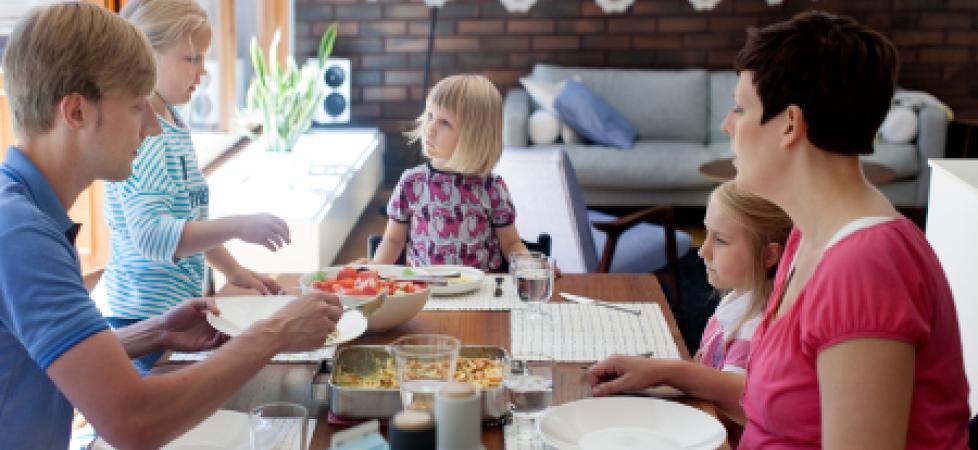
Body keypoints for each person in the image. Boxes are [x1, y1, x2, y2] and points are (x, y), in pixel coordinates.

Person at [0, 4, 342, 449]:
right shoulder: (22, 236)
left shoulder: (29, 215)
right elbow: (134, 421)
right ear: (77, 112)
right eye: (138, 105)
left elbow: (49, 358)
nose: (152, 128)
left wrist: (156, 332)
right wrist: (274, 333)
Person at [728, 11, 967, 448]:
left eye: (741, 108)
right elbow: (791, 408)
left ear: (790, 125)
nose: (729, 125)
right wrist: (673, 376)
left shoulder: (864, 268)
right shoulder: (808, 237)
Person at [95, 0, 290, 374]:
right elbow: (154, 235)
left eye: (204, 58)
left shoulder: (172, 122)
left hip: (173, 316)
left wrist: (233, 271)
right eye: (191, 59)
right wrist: (238, 225)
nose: (203, 71)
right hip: (143, 323)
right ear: (147, 57)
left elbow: (188, 220)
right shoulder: (148, 139)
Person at [587, 180, 791, 445]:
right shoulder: (735, 303)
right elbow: (702, 367)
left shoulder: (753, 327)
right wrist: (650, 373)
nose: (703, 250)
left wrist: (665, 373)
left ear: (768, 256)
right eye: (707, 234)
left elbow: (740, 397)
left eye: (720, 240)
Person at [370, 74, 529, 271]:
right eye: (429, 116)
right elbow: (393, 241)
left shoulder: (491, 188)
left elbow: (511, 243)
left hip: (480, 292)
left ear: (474, 136)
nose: (429, 129)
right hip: (425, 288)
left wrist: (531, 266)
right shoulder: (411, 183)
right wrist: (374, 271)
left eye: (444, 122)